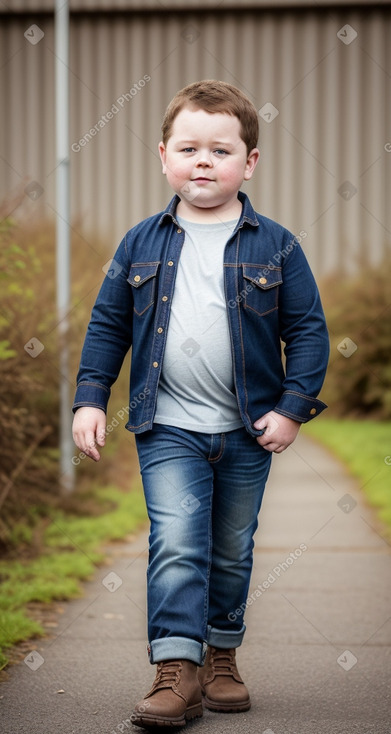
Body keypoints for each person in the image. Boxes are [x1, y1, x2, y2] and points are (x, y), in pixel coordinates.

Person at [72, 79, 329, 729]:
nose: (204, 161)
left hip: (247, 428)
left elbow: (306, 331)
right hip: (168, 426)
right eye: (189, 148)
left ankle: (220, 655)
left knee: (231, 548)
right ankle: (175, 670)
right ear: (163, 156)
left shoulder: (274, 245)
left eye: (220, 149)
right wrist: (90, 400)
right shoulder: (139, 243)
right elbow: (108, 325)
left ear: (250, 161)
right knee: (179, 540)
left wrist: (293, 408)